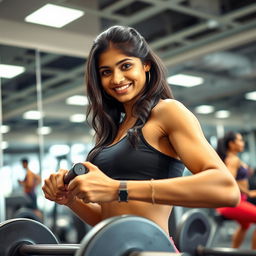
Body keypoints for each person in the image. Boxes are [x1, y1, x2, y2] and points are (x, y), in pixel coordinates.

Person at [42, 25, 240, 250]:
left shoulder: (168, 112)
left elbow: (226, 190)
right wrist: (70, 200)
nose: (117, 79)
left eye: (125, 66)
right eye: (106, 72)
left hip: (153, 250)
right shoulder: (112, 130)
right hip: (116, 249)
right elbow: (108, 220)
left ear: (146, 64)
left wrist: (119, 188)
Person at [216, 131, 256, 249]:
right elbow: (229, 180)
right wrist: (248, 192)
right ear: (231, 144)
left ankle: (233, 251)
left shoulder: (233, 159)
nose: (242, 143)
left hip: (238, 201)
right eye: (240, 140)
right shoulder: (233, 160)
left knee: (245, 226)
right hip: (231, 204)